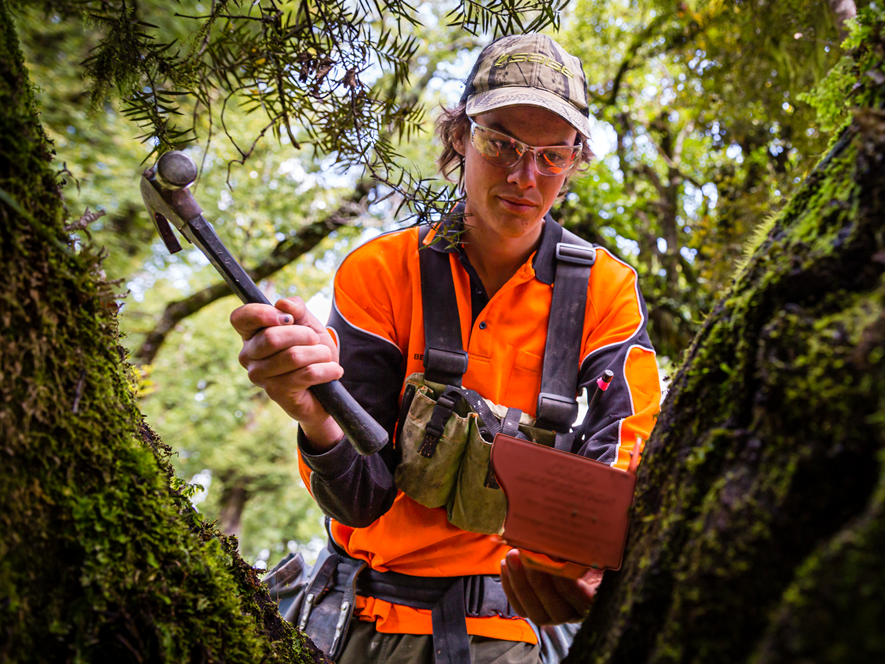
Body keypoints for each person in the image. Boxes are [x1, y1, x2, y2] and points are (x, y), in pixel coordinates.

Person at [231, 34, 661, 664]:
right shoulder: (379, 272)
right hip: (360, 623)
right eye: (502, 144)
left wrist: (590, 560)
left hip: (511, 634)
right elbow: (362, 495)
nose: (524, 175)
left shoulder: (606, 291)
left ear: (574, 162)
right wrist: (313, 413)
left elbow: (626, 449)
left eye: (551, 155)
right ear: (460, 137)